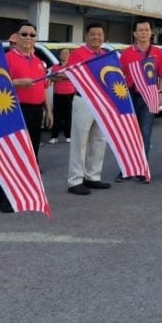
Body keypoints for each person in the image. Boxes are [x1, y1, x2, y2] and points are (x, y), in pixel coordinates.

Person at [0, 22, 52, 212]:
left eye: (32, 35)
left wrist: (49, 110)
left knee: (31, 156)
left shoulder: (39, 61)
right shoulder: (7, 59)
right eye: (24, 34)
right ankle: (6, 198)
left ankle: (26, 195)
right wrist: (17, 82)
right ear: (16, 37)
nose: (28, 38)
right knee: (12, 156)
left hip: (36, 111)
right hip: (15, 110)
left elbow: (44, 87)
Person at [118, 18, 162, 182]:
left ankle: (142, 169)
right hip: (130, 97)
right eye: (140, 30)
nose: (144, 33)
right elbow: (119, 76)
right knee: (128, 134)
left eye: (147, 30)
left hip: (150, 96)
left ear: (151, 33)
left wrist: (160, 93)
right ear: (134, 33)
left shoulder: (158, 53)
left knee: (145, 134)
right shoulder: (126, 53)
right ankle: (126, 169)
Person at [66, 23, 111, 195]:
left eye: (100, 34)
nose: (96, 37)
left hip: (101, 101)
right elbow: (69, 74)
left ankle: (93, 176)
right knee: (80, 140)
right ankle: (75, 180)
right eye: (93, 34)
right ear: (86, 36)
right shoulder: (78, 53)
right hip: (83, 100)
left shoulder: (105, 55)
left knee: (99, 139)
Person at [48, 48, 74, 144]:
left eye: (66, 53)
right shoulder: (55, 67)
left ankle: (68, 136)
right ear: (59, 56)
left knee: (68, 116)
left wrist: (59, 76)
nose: (64, 55)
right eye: (62, 53)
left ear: (69, 56)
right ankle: (54, 136)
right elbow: (51, 78)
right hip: (58, 93)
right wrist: (64, 76)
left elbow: (71, 76)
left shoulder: (71, 66)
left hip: (69, 94)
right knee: (57, 115)